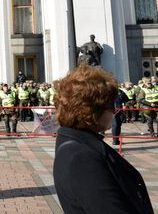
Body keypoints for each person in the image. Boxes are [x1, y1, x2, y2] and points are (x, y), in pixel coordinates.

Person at [53, 66, 153, 214]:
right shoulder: (81, 156)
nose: (114, 110)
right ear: (91, 110)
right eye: (110, 106)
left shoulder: (77, 142)